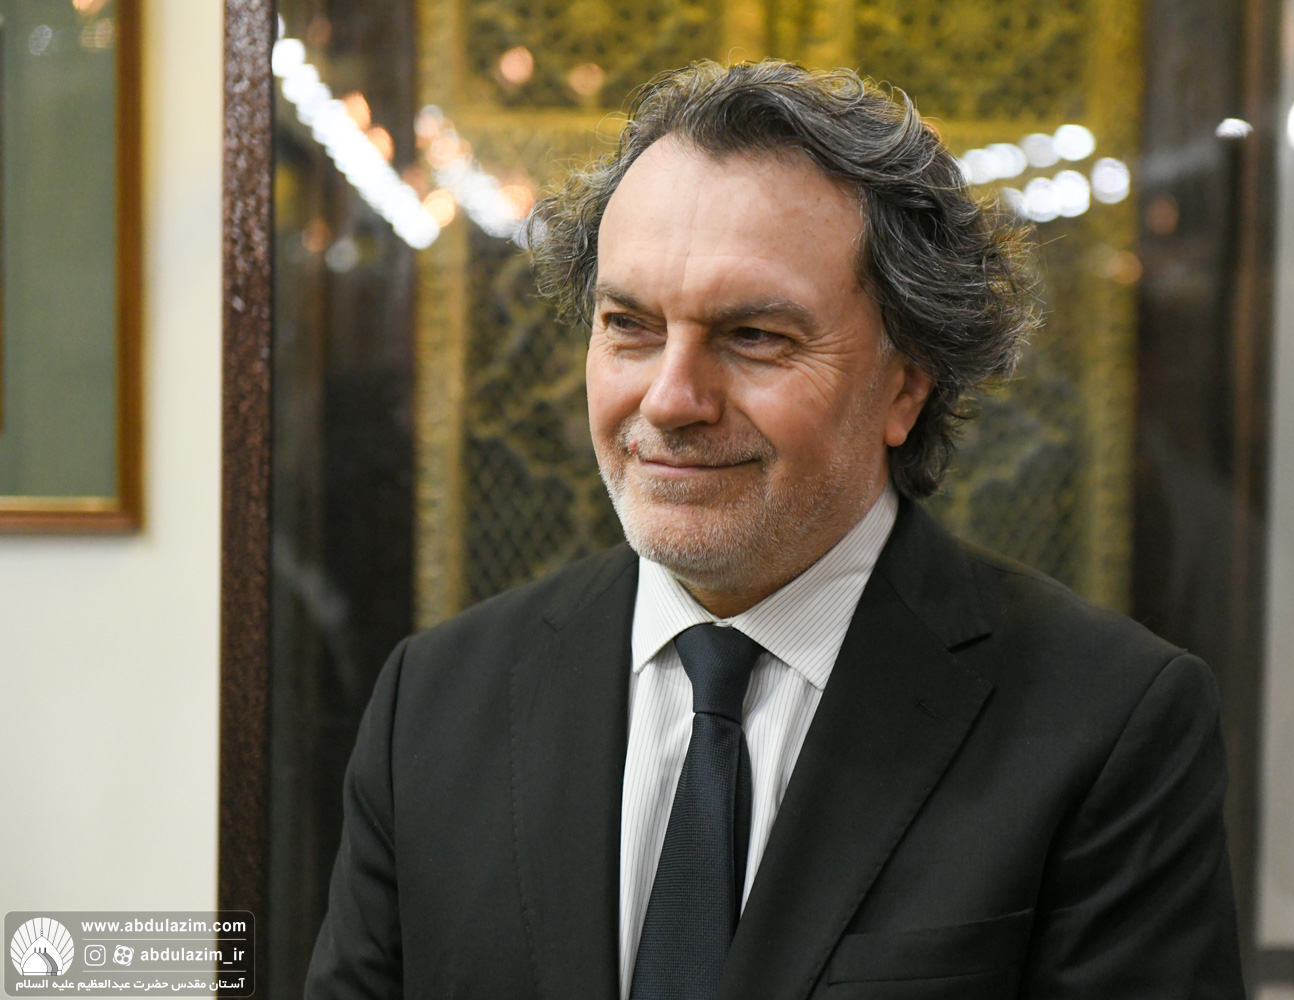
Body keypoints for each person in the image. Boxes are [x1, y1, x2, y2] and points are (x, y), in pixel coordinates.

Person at [305, 59, 1245, 1000]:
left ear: (905, 387)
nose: (670, 399)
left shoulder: (1107, 723)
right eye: (629, 325)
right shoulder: (432, 706)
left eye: (754, 337)